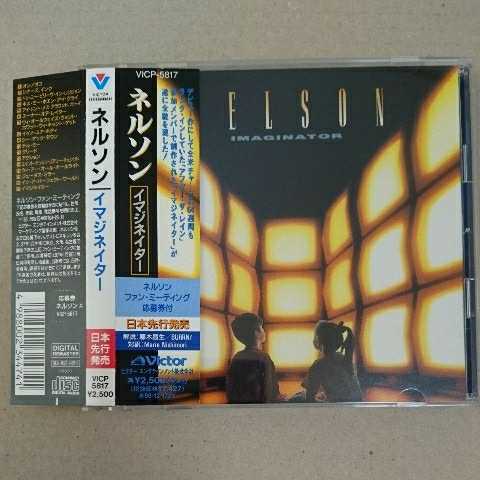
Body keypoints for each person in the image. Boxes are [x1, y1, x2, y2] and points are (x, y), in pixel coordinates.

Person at [226, 312, 282, 403]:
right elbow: (270, 393)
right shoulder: (263, 358)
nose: (264, 331)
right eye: (261, 328)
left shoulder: (236, 358)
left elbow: (231, 391)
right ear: (256, 332)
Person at [301, 320, 362, 402]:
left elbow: (309, 399)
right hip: (356, 405)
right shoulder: (344, 358)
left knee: (298, 397)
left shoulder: (318, 365)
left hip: (339, 408)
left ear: (318, 340)